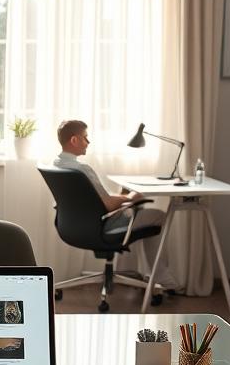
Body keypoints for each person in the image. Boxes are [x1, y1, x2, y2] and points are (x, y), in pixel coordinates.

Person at [53, 119, 178, 291]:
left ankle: (139, 273)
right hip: (102, 227)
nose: (88, 142)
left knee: (136, 206)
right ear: (74, 140)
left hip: (71, 228)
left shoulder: (57, 165)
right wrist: (131, 197)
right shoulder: (82, 170)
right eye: (85, 137)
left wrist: (121, 196)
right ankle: (163, 280)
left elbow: (94, 199)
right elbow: (108, 205)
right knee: (158, 216)